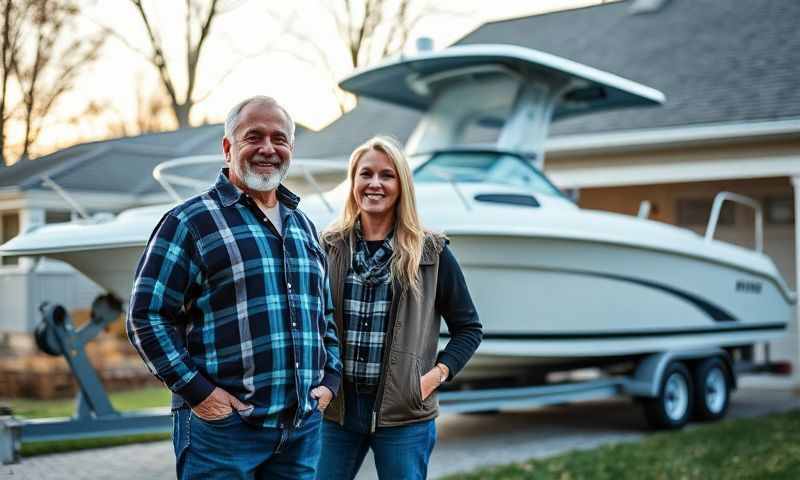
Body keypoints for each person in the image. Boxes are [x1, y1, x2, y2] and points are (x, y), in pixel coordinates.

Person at [126, 95, 342, 480]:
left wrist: (330, 379)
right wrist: (199, 393)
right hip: (222, 432)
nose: (267, 148)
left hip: (300, 428)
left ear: (290, 148)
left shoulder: (304, 226)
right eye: (253, 137)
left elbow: (323, 314)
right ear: (228, 147)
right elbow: (147, 316)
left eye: (279, 139)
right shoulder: (190, 222)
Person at [317, 136, 483, 480]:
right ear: (353, 182)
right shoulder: (328, 247)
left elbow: (469, 328)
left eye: (386, 175)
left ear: (401, 185)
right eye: (366, 174)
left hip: (405, 413)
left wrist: (434, 377)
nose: (374, 184)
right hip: (336, 411)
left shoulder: (431, 252)